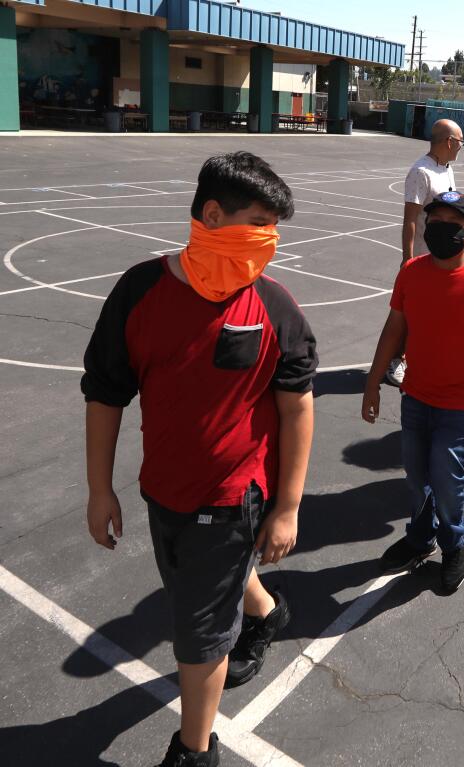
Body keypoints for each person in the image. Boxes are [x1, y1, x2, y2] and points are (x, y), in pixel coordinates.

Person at [82, 152, 317, 767]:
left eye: (276, 226)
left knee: (199, 635)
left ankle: (195, 750)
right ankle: (265, 611)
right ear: (212, 214)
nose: (271, 238)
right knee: (198, 592)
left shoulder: (275, 307)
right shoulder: (140, 291)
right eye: (259, 221)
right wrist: (98, 489)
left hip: (232, 500)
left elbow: (297, 410)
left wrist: (287, 506)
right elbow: (105, 394)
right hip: (162, 491)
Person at [363, 192, 464, 591]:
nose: (440, 229)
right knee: (416, 476)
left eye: (452, 223)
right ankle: (420, 537)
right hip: (416, 397)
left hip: (460, 404)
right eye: (435, 222)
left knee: (447, 479)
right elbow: (394, 328)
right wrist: (373, 381)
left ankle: (453, 546)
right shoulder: (411, 272)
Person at [386, 119, 464, 387]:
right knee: (408, 313)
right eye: (461, 142)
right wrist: (407, 259)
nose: (461, 147)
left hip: (444, 256)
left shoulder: (446, 170)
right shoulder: (421, 172)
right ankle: (395, 360)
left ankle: (416, 358)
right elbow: (410, 219)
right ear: (449, 142)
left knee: (432, 312)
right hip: (422, 255)